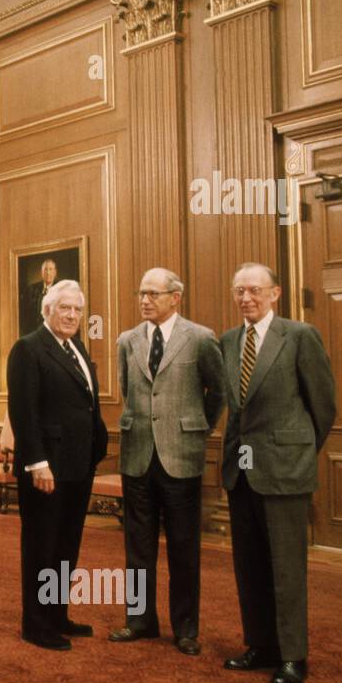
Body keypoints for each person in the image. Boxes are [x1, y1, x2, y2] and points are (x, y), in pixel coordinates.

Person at [221, 262, 336, 683]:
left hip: (286, 471)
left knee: (286, 567)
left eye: (254, 290)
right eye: (239, 291)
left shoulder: (299, 336)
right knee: (248, 566)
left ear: (275, 293)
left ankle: (292, 655)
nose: (245, 298)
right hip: (242, 471)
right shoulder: (229, 341)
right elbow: (238, 410)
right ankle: (260, 645)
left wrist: (297, 452)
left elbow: (323, 406)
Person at [109, 268, 225, 655]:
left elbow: (218, 392)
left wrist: (197, 429)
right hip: (137, 455)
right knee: (137, 546)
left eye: (153, 294)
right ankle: (139, 621)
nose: (145, 300)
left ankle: (185, 629)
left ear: (176, 298)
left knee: (183, 545)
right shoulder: (127, 340)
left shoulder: (201, 338)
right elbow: (127, 388)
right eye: (141, 293)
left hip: (182, 456)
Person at [7, 279, 108, 651]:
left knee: (67, 545)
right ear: (46, 310)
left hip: (78, 466)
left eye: (77, 309)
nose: (71, 315)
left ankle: (57, 614)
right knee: (42, 546)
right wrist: (36, 462)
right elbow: (24, 411)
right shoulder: (28, 349)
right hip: (45, 469)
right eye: (64, 308)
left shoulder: (76, 347)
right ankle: (36, 623)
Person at [21, 258, 58, 336]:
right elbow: (25, 315)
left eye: (51, 269)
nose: (48, 273)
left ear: (55, 272)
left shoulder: (62, 289)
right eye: (45, 270)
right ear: (41, 273)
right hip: (35, 333)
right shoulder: (31, 289)